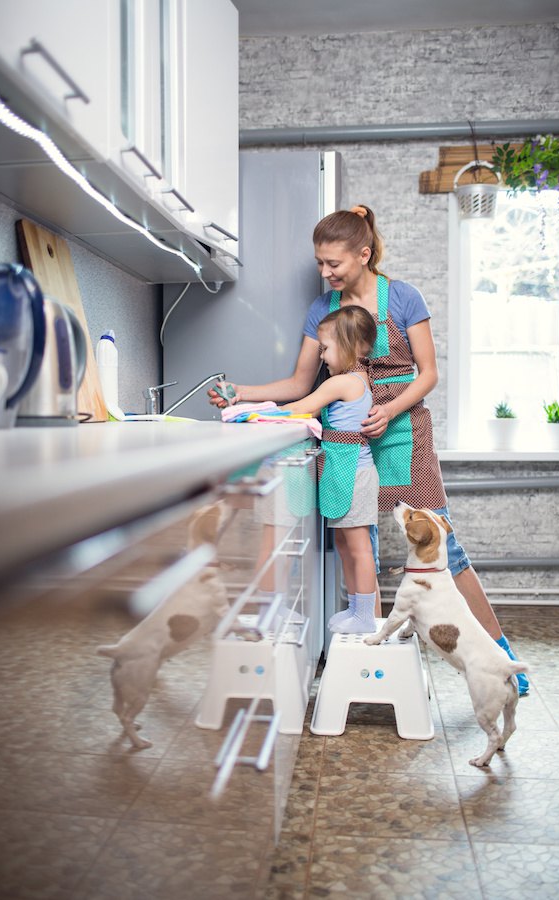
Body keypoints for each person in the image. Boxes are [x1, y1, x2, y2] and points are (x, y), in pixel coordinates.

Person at [209, 204, 529, 694]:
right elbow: (300, 382)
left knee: (446, 549)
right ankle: (368, 659)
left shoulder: (402, 297)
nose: (324, 273)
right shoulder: (322, 310)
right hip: (351, 438)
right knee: (363, 545)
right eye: (319, 262)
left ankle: (500, 654)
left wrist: (391, 409)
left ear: (363, 254)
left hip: (402, 431)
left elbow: (428, 373)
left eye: (333, 263)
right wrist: (240, 392)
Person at [281, 305, 379, 634]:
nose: (322, 356)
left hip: (355, 476)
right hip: (347, 474)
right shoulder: (353, 380)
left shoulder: (343, 383)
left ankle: (364, 615)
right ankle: (356, 609)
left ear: (350, 344)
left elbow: (302, 406)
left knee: (358, 545)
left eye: (326, 348)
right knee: (345, 544)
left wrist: (258, 413)